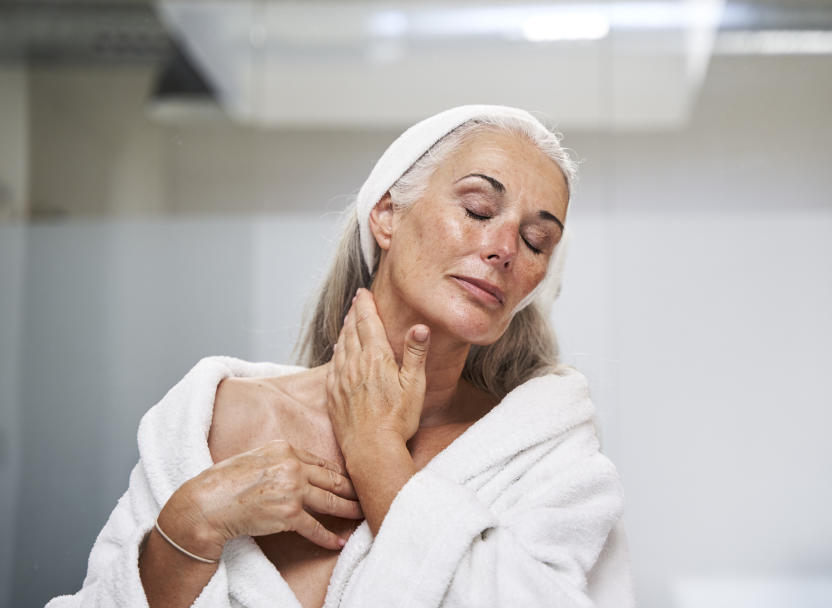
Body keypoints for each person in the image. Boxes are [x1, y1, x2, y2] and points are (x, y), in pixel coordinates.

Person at [47, 105, 633, 608]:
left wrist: (377, 454)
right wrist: (189, 523)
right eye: (479, 209)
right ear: (386, 215)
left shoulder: (545, 459)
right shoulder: (213, 418)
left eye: (537, 242)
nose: (505, 248)